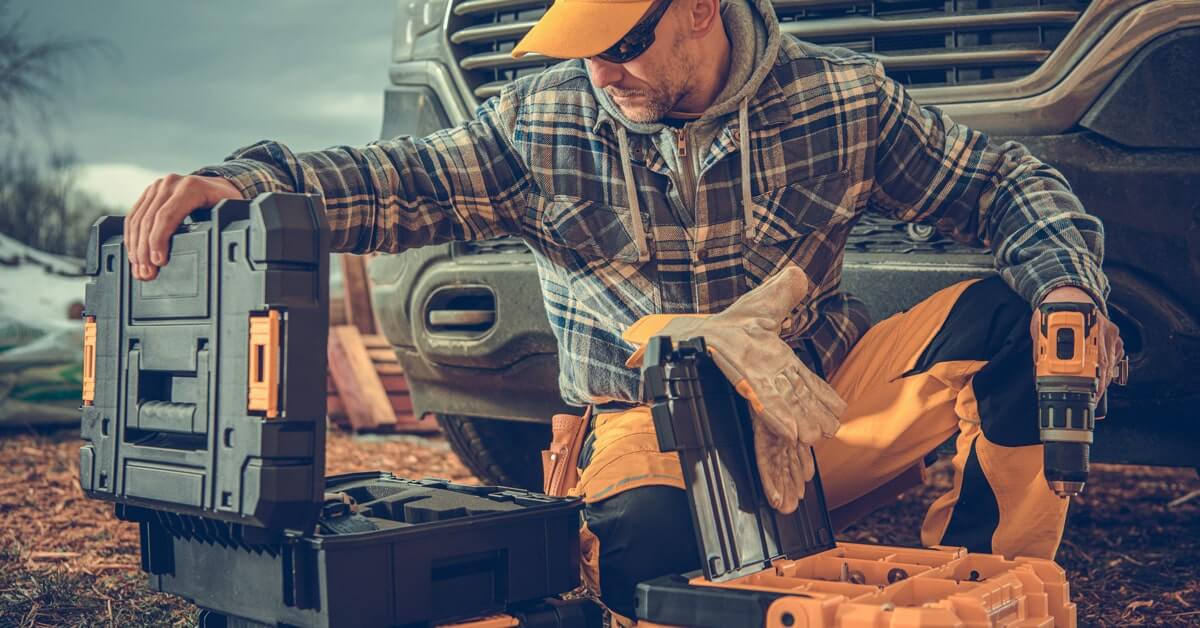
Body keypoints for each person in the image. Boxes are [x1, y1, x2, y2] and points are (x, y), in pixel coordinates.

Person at [123, 0, 1124, 622]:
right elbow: (404, 181)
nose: (602, 71)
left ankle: (982, 593)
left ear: (700, 8)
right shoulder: (546, 118)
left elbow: (1000, 180)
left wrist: (1067, 279)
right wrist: (252, 182)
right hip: (647, 440)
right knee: (651, 556)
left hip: (812, 412)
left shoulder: (841, 101)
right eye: (586, 43)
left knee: (1013, 325)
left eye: (624, 40)